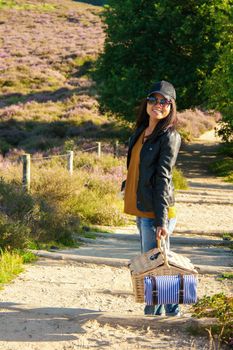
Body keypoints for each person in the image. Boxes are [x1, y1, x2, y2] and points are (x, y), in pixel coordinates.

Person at [123, 80, 181, 316]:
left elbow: (163, 179)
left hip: (157, 210)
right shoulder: (140, 132)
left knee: (156, 264)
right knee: (155, 262)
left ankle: (160, 313)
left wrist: (161, 221)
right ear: (146, 103)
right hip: (143, 207)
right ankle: (167, 312)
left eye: (164, 101)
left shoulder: (169, 136)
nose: (158, 104)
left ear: (171, 106)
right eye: (153, 99)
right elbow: (137, 167)